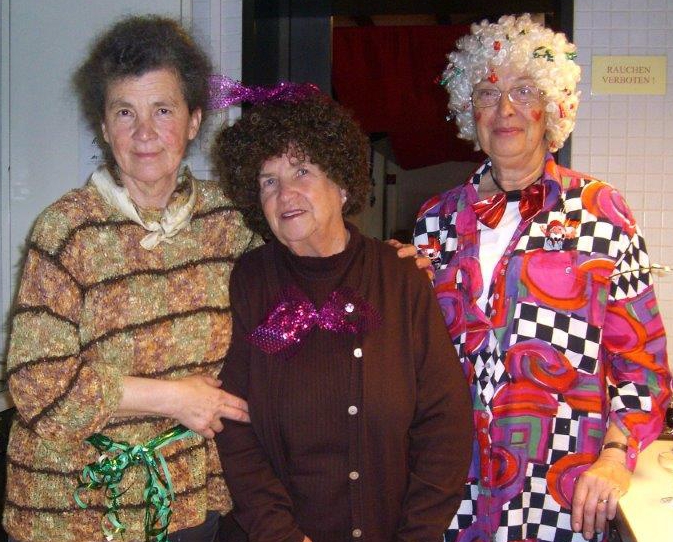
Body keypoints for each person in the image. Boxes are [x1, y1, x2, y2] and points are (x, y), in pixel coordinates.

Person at [411, 13, 671, 542]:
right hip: (451, 486)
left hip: (560, 489)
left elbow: (643, 365)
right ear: (468, 111)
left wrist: (616, 456)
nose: (505, 109)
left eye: (524, 90)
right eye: (487, 93)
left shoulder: (600, 211)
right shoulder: (435, 220)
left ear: (552, 107)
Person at [3, 15, 257, 542]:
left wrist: (385, 263)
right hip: (70, 507)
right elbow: (35, 384)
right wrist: (174, 398)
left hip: (184, 501)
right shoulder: (67, 230)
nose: (145, 133)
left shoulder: (229, 222)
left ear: (193, 120)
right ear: (104, 126)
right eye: (125, 112)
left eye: (163, 110)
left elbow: (304, 273)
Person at [210, 90, 474, 542]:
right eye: (268, 181)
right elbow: (234, 425)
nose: (285, 194)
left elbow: (445, 423)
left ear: (342, 183)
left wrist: (417, 535)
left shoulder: (399, 279)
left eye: (302, 171)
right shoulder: (249, 281)